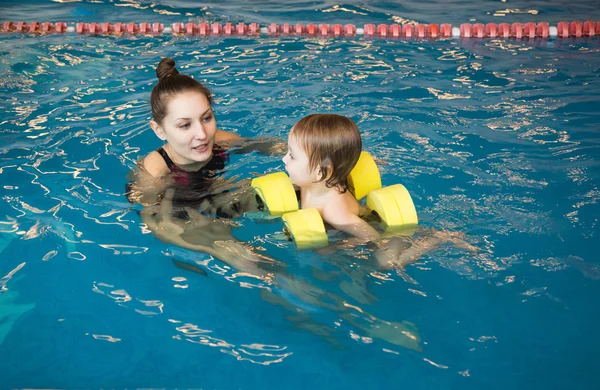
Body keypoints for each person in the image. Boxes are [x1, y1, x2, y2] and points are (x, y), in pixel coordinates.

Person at [282, 114, 477, 270]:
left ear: (319, 172)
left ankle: (439, 238)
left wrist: (338, 247)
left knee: (388, 263)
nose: (284, 159)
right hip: (355, 202)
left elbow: (369, 236)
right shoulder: (315, 181)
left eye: (291, 155)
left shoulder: (334, 211)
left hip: (380, 229)